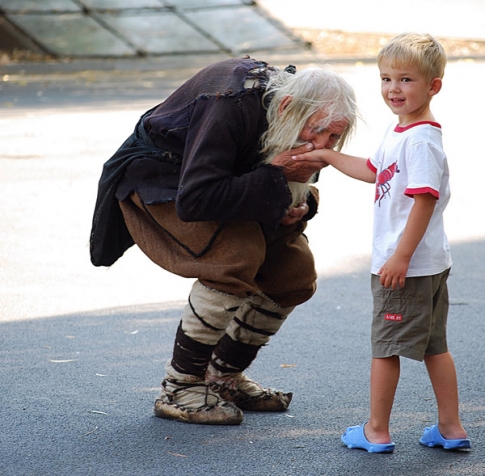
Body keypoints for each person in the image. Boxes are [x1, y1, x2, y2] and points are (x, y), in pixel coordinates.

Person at [89, 56, 358, 425]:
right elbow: (197, 198)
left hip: (226, 183)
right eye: (318, 132)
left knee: (293, 273)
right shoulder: (230, 101)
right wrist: (275, 181)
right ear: (286, 107)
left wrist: (300, 203)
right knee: (234, 257)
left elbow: (288, 179)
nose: (323, 147)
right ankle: (180, 388)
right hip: (164, 179)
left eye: (334, 137)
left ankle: (224, 378)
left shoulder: (295, 114)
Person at [293, 33, 471, 452]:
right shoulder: (402, 131)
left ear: (433, 86)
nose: (394, 88)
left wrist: (400, 257)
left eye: (406, 80)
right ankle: (450, 428)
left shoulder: (421, 139)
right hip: (424, 264)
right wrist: (329, 158)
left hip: (406, 265)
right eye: (386, 78)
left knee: (385, 348)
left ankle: (377, 430)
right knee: (433, 346)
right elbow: (375, 170)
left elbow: (424, 199)